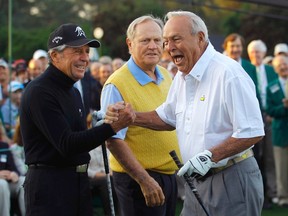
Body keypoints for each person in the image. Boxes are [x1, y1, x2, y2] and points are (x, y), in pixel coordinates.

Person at [106, 11, 265, 216]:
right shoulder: (182, 76)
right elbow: (167, 117)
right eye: (166, 41)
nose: (169, 48)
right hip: (196, 181)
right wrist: (130, 116)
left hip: (230, 178)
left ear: (199, 38)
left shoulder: (228, 73)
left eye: (176, 39)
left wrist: (210, 156)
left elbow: (252, 131)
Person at [19, 23, 135, 216]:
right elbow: (67, 144)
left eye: (87, 51)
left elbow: (81, 136)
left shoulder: (72, 91)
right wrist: (112, 126)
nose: (85, 58)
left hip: (78, 184)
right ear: (55, 56)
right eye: (77, 51)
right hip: (50, 188)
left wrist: (108, 118)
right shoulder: (40, 91)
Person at [100, 15, 181, 216]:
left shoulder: (166, 75)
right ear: (130, 44)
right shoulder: (116, 84)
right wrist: (144, 180)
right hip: (139, 180)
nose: (153, 46)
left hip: (168, 176)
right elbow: (113, 140)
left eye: (157, 40)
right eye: (145, 41)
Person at [247, 39, 278, 208]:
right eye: (253, 52)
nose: (256, 55)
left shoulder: (271, 70)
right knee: (255, 157)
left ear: (264, 53)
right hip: (253, 118)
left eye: (259, 52)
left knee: (270, 158)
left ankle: (271, 192)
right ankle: (258, 193)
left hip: (270, 116)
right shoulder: (246, 69)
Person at [266, 55, 288, 207]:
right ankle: (283, 197)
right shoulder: (271, 87)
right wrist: (284, 107)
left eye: (285, 64)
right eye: (279, 65)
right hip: (280, 132)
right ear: (275, 68)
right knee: (281, 167)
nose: (283, 67)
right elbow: (270, 110)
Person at [0, 140, 25, 216]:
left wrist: (14, 174)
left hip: (7, 180)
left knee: (23, 181)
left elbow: (13, 167)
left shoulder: (4, 145)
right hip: (2, 183)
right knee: (2, 184)